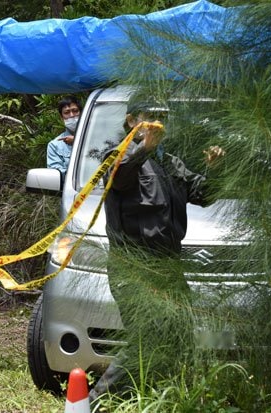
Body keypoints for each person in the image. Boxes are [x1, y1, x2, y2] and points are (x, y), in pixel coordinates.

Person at [89, 94, 225, 402]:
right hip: (135, 268)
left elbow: (203, 194)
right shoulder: (118, 155)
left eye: (162, 115)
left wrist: (214, 168)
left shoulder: (170, 160)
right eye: (150, 116)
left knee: (181, 335)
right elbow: (119, 180)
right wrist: (143, 149)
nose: (158, 122)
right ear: (132, 122)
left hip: (169, 268)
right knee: (147, 336)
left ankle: (169, 399)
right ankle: (96, 401)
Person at [46, 95, 82, 179]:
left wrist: (77, 141)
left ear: (82, 113)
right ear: (61, 117)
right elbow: (58, 175)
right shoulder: (54, 145)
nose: (72, 115)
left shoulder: (97, 136)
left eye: (75, 111)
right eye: (67, 112)